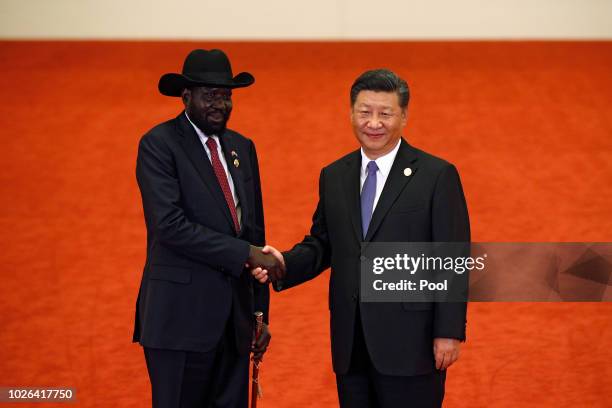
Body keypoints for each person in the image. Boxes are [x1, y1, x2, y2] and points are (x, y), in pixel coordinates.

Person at [252, 69, 470, 408]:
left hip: (412, 343)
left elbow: (452, 258)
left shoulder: (436, 175)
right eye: (365, 112)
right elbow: (323, 243)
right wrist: (284, 263)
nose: (374, 123)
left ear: (404, 116)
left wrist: (449, 331)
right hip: (351, 343)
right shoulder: (335, 175)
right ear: (351, 113)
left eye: (385, 113)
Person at [133, 48, 281, 408]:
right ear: (186, 97)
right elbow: (170, 226)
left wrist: (259, 316)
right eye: (210, 95)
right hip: (179, 321)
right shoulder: (158, 144)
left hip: (234, 325)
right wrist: (243, 253)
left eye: (226, 96)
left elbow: (254, 234)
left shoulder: (242, 148)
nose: (220, 104)